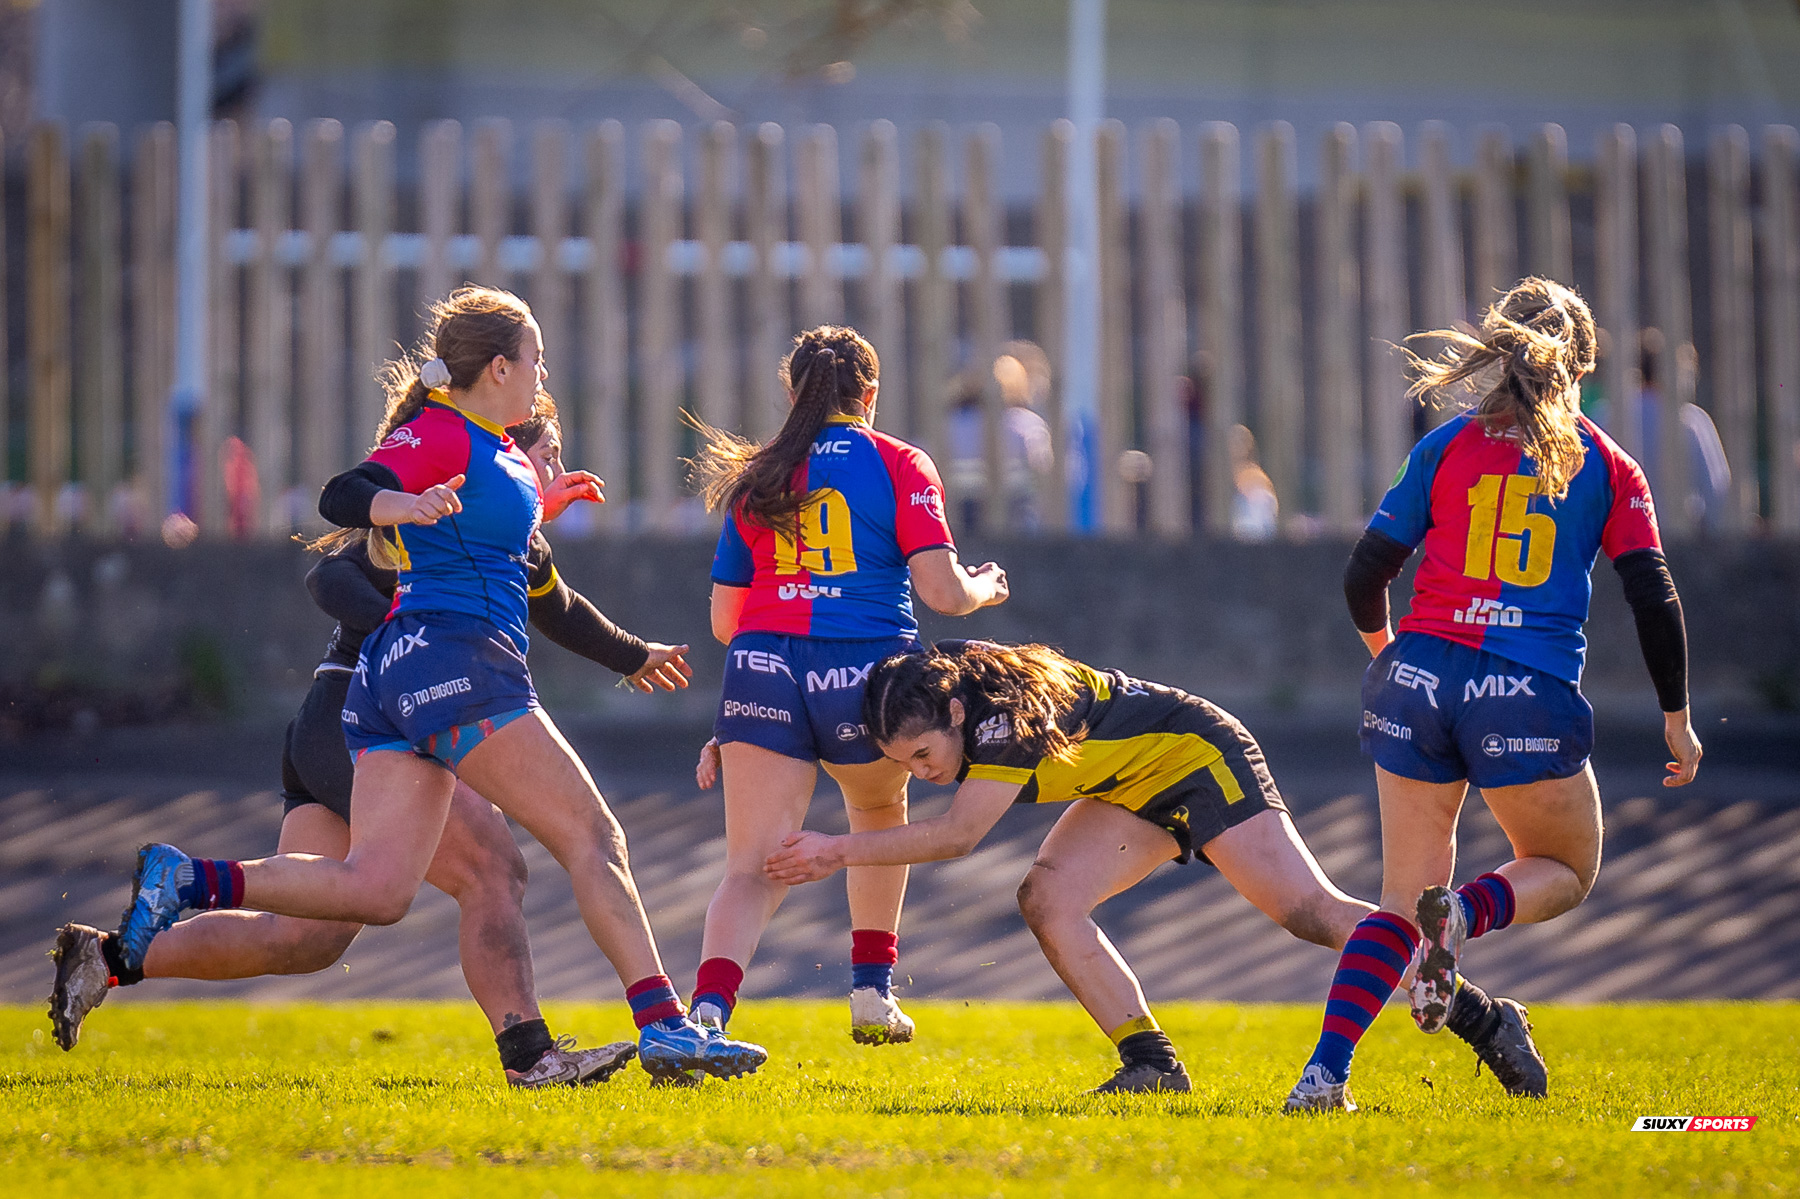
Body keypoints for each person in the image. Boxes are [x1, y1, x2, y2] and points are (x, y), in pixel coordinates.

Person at [106, 285, 768, 1083]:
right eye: (535, 359)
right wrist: (403, 502)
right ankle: (665, 1027)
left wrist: (560, 547)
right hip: (458, 663)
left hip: (393, 678)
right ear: (497, 366)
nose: (542, 372)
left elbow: (537, 583)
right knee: (593, 838)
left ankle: (187, 877)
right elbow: (342, 494)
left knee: (376, 890)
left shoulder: (496, 452)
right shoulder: (446, 431)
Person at [47, 409, 686, 1088]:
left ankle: (107, 956)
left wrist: (636, 654)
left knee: (301, 938)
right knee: (494, 872)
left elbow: (559, 607)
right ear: (504, 453)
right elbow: (329, 575)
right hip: (363, 721)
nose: (555, 474)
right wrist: (414, 633)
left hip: (342, 730)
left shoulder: (507, 539)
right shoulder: (442, 507)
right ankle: (532, 1057)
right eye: (546, 456)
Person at [764, 639, 1546, 1096]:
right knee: (1047, 896)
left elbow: (957, 835)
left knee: (1310, 911)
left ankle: (1485, 1017)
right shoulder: (949, 694)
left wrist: (835, 850)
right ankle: (1152, 1062)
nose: (921, 772)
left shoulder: (994, 721)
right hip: (1130, 786)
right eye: (904, 763)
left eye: (925, 756)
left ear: (958, 716)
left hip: (1196, 757)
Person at [1283, 277, 1701, 1112]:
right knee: (1566, 867)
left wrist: (1393, 657)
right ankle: (1468, 913)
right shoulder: (1606, 462)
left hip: (1417, 679)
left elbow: (1366, 573)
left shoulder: (1443, 447)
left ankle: (1323, 1076)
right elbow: (1653, 595)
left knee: (1397, 903)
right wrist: (1677, 721)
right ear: (1581, 362)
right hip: (1523, 691)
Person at [686, 324, 1008, 1045]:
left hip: (761, 666)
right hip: (865, 673)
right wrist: (985, 587)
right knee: (876, 812)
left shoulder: (761, 474)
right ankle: (871, 991)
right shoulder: (899, 460)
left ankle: (705, 1014)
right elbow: (943, 594)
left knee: (753, 865)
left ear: (793, 394)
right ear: (870, 394)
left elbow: (725, 620)